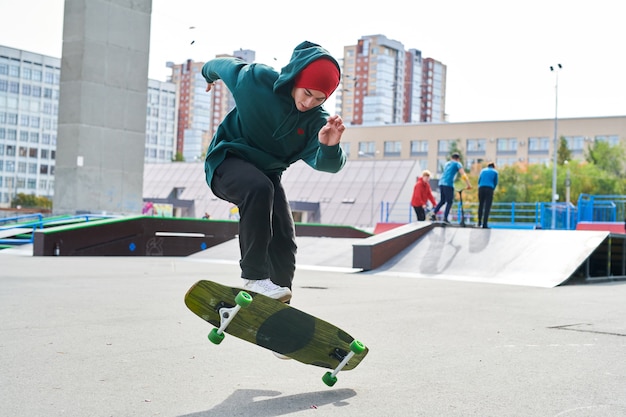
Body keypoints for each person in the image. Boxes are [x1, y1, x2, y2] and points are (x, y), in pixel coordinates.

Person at [202, 41, 346, 303]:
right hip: (226, 162)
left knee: (284, 234)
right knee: (258, 188)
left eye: (319, 99)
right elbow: (222, 65)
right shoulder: (257, 81)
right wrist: (207, 75)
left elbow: (329, 165)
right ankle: (255, 278)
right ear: (295, 79)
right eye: (306, 93)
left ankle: (278, 300)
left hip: (267, 174)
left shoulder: (316, 122)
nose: (308, 103)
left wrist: (329, 146)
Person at [432, 153, 471, 223]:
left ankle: (433, 214)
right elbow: (463, 174)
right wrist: (468, 184)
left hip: (441, 183)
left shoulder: (447, 164)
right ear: (458, 159)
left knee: (442, 201)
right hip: (448, 184)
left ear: (451, 158)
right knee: (450, 201)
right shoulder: (457, 163)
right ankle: (445, 218)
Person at [477, 162, 498, 228]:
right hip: (489, 188)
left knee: (481, 205)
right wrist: (493, 189)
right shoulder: (495, 172)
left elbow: (479, 180)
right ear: (493, 166)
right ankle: (484, 224)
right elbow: (495, 182)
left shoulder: (482, 171)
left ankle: (479, 222)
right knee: (487, 206)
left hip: (481, 188)